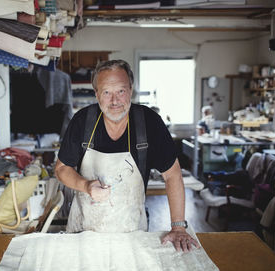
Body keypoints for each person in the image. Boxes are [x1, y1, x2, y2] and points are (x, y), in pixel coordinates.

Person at [55, 59, 199, 252]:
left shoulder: (149, 123)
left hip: (132, 234)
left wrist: (178, 226)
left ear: (131, 90)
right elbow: (62, 169)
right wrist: (86, 186)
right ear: (96, 94)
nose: (114, 101)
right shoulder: (82, 121)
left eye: (121, 91)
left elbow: (172, 175)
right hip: (83, 233)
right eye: (106, 92)